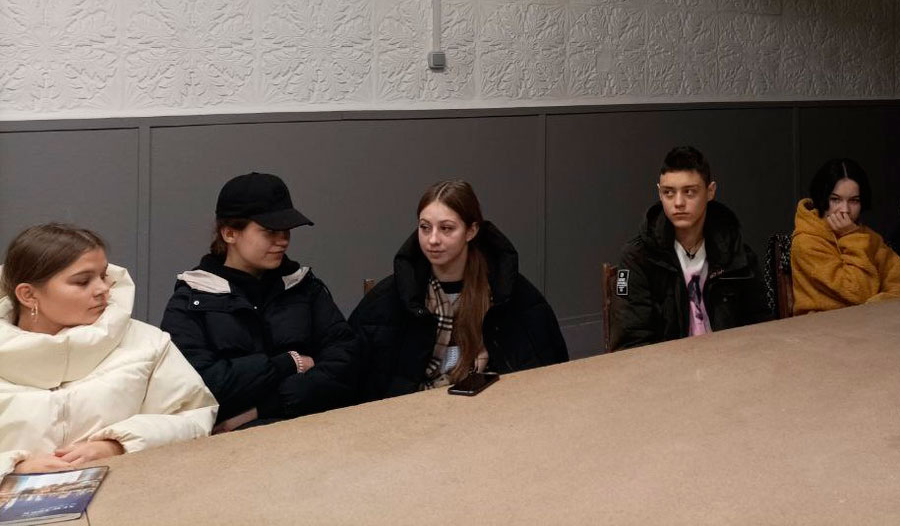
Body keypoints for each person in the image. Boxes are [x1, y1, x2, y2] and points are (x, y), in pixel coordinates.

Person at [0, 224, 216, 477]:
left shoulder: (147, 343)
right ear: (28, 295)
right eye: (82, 281)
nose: (103, 289)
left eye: (103, 276)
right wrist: (13, 467)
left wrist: (117, 445)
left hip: (130, 493)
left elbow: (193, 417)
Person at [161, 173, 360, 432]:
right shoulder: (190, 300)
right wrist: (288, 363)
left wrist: (267, 406)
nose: (283, 240)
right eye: (270, 232)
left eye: (286, 230)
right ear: (229, 233)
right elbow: (197, 387)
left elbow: (347, 362)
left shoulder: (304, 286)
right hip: (233, 448)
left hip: (315, 433)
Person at [349, 179, 568, 401]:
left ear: (471, 231)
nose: (433, 239)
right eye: (425, 227)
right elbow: (360, 380)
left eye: (446, 228)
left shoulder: (508, 291)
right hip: (415, 408)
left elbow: (547, 369)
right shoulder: (391, 296)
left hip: (493, 403)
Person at [610, 146, 770, 350]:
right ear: (659, 193)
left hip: (729, 360)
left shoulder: (735, 252)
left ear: (710, 191)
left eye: (689, 192)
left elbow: (760, 327)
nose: (678, 203)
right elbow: (630, 343)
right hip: (666, 365)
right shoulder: (638, 257)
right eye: (668, 193)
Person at [791, 158, 900, 315]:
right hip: (822, 325)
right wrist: (851, 236)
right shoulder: (806, 242)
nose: (845, 210)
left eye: (854, 201)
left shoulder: (867, 237)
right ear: (822, 199)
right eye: (835, 199)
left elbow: (896, 279)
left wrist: (879, 301)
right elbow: (858, 293)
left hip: (871, 321)